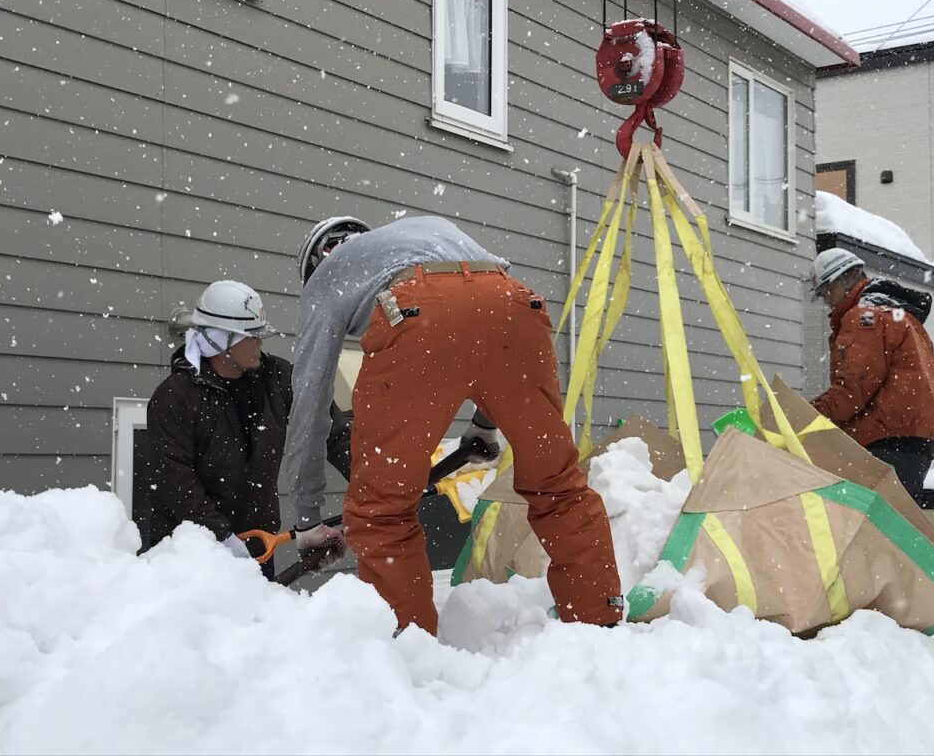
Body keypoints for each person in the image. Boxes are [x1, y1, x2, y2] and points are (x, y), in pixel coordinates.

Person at [285, 215, 623, 635]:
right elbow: (482, 310)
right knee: (560, 486)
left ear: (321, 257)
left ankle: (407, 645)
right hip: (516, 303)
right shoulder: (428, 230)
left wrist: (307, 519)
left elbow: (310, 403)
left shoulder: (327, 277)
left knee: (381, 512)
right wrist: (484, 424)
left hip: (417, 316)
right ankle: (600, 622)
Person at [146, 279, 352, 577]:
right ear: (220, 340)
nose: (260, 342)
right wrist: (220, 536)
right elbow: (174, 479)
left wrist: (371, 485)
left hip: (256, 544)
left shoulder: (278, 380)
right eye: (251, 336)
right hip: (187, 556)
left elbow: (331, 430)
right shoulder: (175, 398)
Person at [808, 247, 934, 496]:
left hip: (884, 439)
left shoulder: (865, 318)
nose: (826, 298)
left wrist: (804, 416)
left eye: (827, 288)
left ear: (847, 277)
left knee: (865, 526)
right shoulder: (901, 316)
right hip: (915, 438)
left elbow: (853, 390)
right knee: (893, 525)